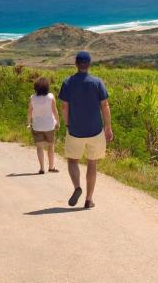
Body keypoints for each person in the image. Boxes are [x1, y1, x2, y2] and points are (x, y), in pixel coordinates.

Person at [58, 50, 112, 209]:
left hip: (75, 130)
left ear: (76, 64)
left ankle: (77, 187)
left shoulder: (67, 82)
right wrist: (108, 127)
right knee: (92, 163)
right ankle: (89, 199)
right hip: (95, 130)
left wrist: (68, 124)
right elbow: (105, 106)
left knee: (73, 161)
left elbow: (64, 107)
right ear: (89, 64)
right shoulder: (97, 82)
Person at [28, 77, 58, 174]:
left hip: (37, 125)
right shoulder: (51, 97)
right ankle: (51, 166)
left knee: (39, 147)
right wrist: (58, 122)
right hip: (49, 125)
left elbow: (29, 112)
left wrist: (28, 123)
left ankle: (41, 168)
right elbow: (55, 111)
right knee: (51, 146)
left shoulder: (32, 98)